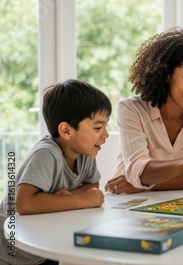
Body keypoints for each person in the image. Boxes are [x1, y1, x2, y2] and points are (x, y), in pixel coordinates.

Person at [105, 27, 183, 194]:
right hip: (127, 203)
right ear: (166, 74)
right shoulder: (131, 109)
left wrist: (139, 184)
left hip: (176, 203)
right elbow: (139, 170)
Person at [0, 79, 110, 265]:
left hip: (44, 249)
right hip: (11, 253)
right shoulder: (46, 154)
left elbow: (92, 185)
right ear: (66, 130)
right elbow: (24, 204)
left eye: (106, 126)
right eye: (98, 127)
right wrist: (81, 200)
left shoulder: (87, 153)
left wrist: (68, 196)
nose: (105, 134)